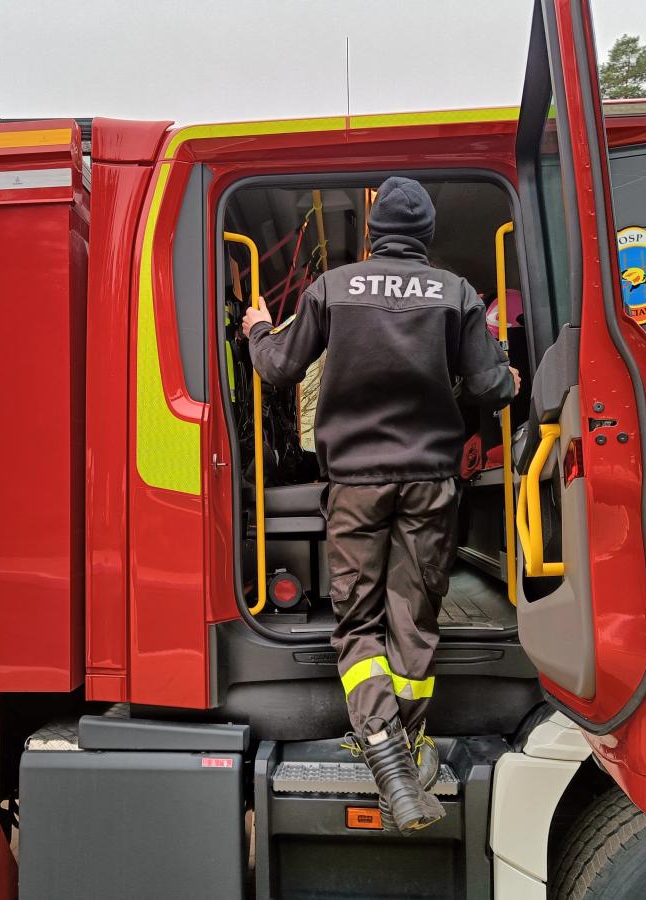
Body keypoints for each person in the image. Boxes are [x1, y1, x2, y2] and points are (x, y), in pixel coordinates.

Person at [242, 176, 519, 834]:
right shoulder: (455, 293)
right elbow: (491, 386)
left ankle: (383, 753)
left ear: (371, 234)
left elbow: (278, 367)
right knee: (412, 615)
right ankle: (408, 744)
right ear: (426, 236)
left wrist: (257, 329)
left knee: (358, 621)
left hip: (356, 484)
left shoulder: (333, 288)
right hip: (430, 481)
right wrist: (507, 373)